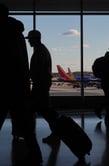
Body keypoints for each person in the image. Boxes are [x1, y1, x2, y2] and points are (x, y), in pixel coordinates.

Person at [0, 3, 43, 165]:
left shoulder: (3, 33)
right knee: (25, 126)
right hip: (18, 88)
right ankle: (36, 155)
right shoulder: (16, 33)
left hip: (4, 86)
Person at [25, 30, 59, 143]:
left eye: (30, 39)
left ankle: (55, 133)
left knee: (43, 110)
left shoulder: (39, 51)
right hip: (42, 85)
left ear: (35, 39)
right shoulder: (42, 50)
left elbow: (37, 70)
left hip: (40, 86)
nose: (28, 41)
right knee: (45, 110)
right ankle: (55, 133)